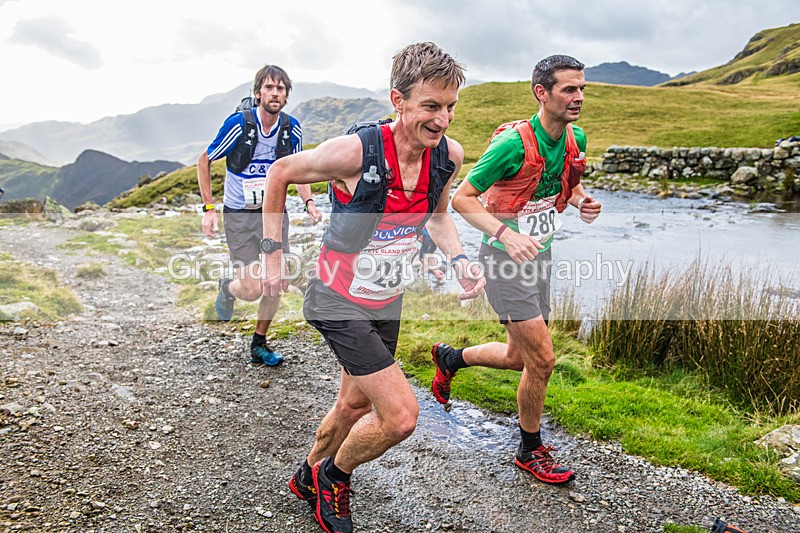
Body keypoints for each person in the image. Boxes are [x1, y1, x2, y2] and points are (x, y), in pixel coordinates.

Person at [261, 42, 485, 533]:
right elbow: (280, 173)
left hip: (387, 297)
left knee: (354, 404)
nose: (443, 119)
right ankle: (334, 477)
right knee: (402, 416)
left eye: (450, 107)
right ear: (398, 100)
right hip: (337, 298)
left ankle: (307, 475)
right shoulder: (356, 152)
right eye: (431, 106)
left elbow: (440, 215)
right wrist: (272, 252)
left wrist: (460, 258)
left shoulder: (447, 156)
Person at [432, 55, 602, 486]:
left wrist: (582, 201)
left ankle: (451, 359)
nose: (578, 97)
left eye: (582, 88)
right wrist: (506, 236)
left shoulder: (575, 136)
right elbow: (463, 199)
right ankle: (529, 449)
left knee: (516, 357)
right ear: (541, 93)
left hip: (539, 255)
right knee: (543, 360)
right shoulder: (511, 145)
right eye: (569, 89)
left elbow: (569, 181)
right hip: (504, 260)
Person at [197, 64, 322, 366]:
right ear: (258, 93)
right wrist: (209, 209)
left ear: (286, 95)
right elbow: (204, 160)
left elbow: (299, 171)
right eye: (269, 87)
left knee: (276, 280)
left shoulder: (291, 129)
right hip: (240, 215)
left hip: (274, 214)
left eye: (281, 88)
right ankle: (228, 286)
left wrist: (309, 203)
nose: (275, 93)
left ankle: (259, 343)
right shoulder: (239, 125)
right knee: (252, 289)